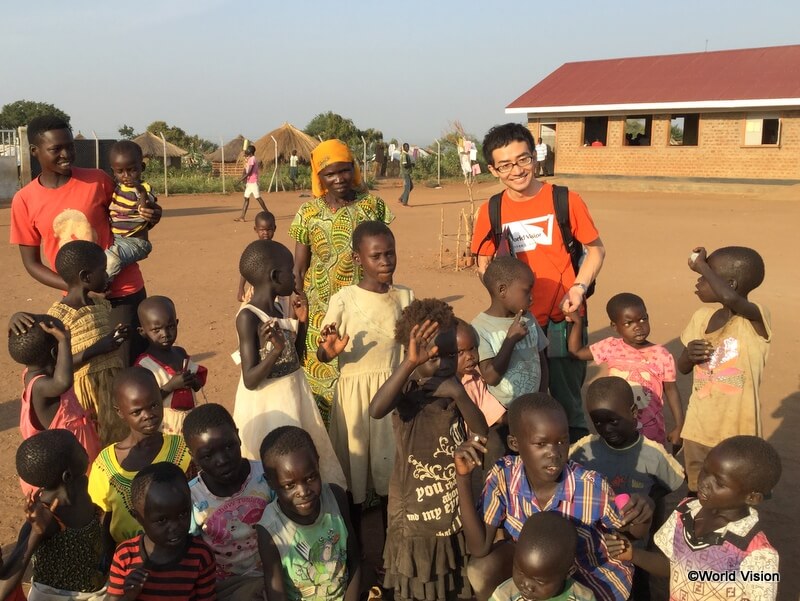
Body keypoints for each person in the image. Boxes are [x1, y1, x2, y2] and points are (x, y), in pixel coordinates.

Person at [470, 123, 605, 442]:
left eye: (523, 159)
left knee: (567, 404)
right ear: (493, 169)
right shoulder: (491, 210)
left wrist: (578, 288)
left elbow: (596, 250)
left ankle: (574, 475)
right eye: (505, 165)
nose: (516, 170)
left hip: (563, 319)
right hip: (519, 326)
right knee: (523, 402)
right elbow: (483, 263)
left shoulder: (565, 200)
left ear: (535, 156)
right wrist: (502, 302)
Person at [455, 393, 653, 601]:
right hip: (534, 580)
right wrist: (463, 478)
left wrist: (643, 513)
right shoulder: (503, 476)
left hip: (591, 579)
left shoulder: (589, 486)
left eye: (561, 441)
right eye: (541, 444)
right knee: (482, 568)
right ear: (515, 443)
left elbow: (632, 532)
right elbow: (479, 547)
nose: (554, 453)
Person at [10, 115, 161, 365]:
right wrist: (77, 288)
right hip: (79, 303)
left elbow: (132, 218)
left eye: (70, 146)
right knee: (89, 375)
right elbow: (31, 264)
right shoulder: (24, 200)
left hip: (123, 292)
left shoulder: (98, 180)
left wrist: (154, 214)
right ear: (35, 151)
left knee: (130, 370)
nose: (66, 154)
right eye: (55, 149)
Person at [370, 299, 488, 601]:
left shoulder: (454, 389)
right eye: (434, 357)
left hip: (450, 506)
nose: (446, 363)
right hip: (416, 517)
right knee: (421, 585)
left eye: (452, 355)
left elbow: (481, 429)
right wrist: (410, 364)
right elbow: (376, 409)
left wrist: (459, 394)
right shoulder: (410, 390)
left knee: (450, 581)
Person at [317, 221, 413, 542]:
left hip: (390, 397)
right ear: (358, 258)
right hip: (355, 401)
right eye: (376, 256)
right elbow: (324, 352)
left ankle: (391, 548)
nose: (385, 261)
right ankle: (354, 546)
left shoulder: (405, 297)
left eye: (390, 253)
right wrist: (327, 352)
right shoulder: (344, 299)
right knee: (354, 479)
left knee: (391, 479)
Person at [289, 138, 393, 422]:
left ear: (354, 168)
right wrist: (295, 314)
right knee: (319, 381)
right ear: (318, 177)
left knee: (362, 376)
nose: (338, 179)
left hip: (363, 306)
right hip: (320, 311)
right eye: (329, 173)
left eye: (344, 170)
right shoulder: (308, 213)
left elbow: (384, 254)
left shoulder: (372, 206)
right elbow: (299, 268)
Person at [605, 436, 781, 601]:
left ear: (752, 498)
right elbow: (672, 565)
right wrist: (633, 554)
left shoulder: (758, 554)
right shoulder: (686, 510)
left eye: (719, 483)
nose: (704, 482)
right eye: (705, 471)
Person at [232, 239, 346, 489]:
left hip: (295, 395)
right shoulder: (248, 317)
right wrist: (276, 351)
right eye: (291, 271)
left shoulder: (277, 308)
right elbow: (250, 379)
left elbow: (295, 357)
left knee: (302, 461)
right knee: (276, 468)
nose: (296, 277)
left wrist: (302, 323)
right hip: (270, 405)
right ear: (274, 276)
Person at [570, 377, 685, 600]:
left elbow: (675, 480)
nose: (606, 428)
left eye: (613, 421)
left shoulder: (653, 454)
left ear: (633, 412)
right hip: (593, 544)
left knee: (638, 586)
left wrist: (649, 500)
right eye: (598, 422)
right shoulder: (584, 449)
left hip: (634, 546)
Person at [677, 246, 770, 493]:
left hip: (738, 434)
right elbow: (682, 367)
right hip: (698, 428)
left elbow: (731, 300)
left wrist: (702, 265)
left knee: (734, 495)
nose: (699, 280)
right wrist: (689, 355)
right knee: (697, 491)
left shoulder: (755, 318)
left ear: (729, 283)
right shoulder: (701, 317)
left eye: (706, 277)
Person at [88, 367, 192, 544]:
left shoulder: (184, 450)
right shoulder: (104, 465)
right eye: (137, 412)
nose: (148, 415)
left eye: (154, 405)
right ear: (120, 412)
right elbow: (103, 517)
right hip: (128, 562)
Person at [0, 430, 107, 601]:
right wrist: (36, 533)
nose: (84, 449)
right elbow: (3, 588)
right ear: (67, 475)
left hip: (95, 589)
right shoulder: (46, 517)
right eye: (79, 448)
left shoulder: (80, 488)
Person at [257, 426, 361, 601]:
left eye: (311, 477)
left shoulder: (336, 498)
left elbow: (355, 559)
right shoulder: (270, 529)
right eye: (290, 485)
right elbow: (277, 593)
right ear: (271, 483)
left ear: (318, 464)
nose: (304, 491)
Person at [567, 292, 684, 447]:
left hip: (651, 430)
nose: (638, 327)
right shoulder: (610, 346)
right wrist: (577, 324)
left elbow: (671, 390)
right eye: (629, 323)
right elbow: (576, 352)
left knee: (649, 465)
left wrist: (679, 426)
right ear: (614, 326)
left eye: (643, 319)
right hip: (617, 428)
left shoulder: (661, 354)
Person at [184, 403, 275, 601]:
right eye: (208, 455)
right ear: (193, 456)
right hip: (227, 587)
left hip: (276, 570)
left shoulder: (266, 476)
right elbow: (192, 550)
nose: (222, 459)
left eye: (228, 446)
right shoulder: (193, 498)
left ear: (238, 435)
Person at [44, 240, 130, 445]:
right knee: (92, 442)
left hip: (112, 385)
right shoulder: (59, 316)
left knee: (117, 439)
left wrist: (116, 338)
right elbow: (55, 367)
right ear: (86, 277)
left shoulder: (100, 304)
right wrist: (96, 349)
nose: (108, 275)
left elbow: (102, 338)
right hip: (86, 394)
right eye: (103, 270)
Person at [7, 313, 101, 496]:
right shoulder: (41, 386)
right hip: (64, 470)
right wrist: (64, 342)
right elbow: (63, 382)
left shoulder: (32, 372)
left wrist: (15, 319)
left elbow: (60, 368)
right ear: (55, 352)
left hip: (66, 461)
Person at [106, 462, 216, 601]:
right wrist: (128, 597)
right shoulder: (125, 555)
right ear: (138, 518)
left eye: (183, 514)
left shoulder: (201, 555)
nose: (175, 526)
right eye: (162, 520)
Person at [472, 256, 549, 408]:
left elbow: (542, 362)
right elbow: (490, 377)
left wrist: (542, 398)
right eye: (527, 291)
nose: (532, 298)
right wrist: (510, 340)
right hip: (503, 412)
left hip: (533, 406)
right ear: (502, 290)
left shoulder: (529, 318)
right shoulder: (480, 327)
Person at [134, 296, 208, 435]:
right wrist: (171, 386)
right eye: (156, 330)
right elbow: (144, 403)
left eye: (170, 327)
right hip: (166, 427)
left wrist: (193, 381)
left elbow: (197, 384)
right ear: (142, 332)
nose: (165, 334)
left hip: (191, 422)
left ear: (177, 323)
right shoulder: (144, 365)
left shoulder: (180, 353)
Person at [489, 513, 596, 601]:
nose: (527, 586)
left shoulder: (583, 597)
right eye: (521, 572)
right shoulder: (505, 595)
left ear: (568, 572)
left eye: (539, 581)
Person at [106, 140, 156, 280]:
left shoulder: (144, 189)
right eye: (120, 171)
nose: (126, 176)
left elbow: (144, 210)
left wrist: (140, 190)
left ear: (142, 167)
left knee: (111, 260)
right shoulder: (117, 188)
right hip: (116, 240)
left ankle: (100, 289)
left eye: (132, 170)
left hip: (136, 242)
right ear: (113, 171)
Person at [237, 211, 277, 303]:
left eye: (269, 230)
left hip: (275, 291)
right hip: (256, 291)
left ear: (274, 228)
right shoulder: (254, 250)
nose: (265, 233)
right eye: (262, 230)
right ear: (256, 229)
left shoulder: (277, 249)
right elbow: (245, 269)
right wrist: (241, 289)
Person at [235, 145, 267, 222]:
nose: (246, 151)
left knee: (258, 198)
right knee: (246, 198)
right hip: (249, 182)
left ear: (251, 152)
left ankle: (267, 213)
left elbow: (249, 172)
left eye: (248, 150)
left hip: (253, 182)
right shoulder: (249, 159)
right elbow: (246, 170)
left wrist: (240, 179)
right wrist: (243, 177)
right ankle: (242, 217)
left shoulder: (252, 159)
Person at [398, 143, 413, 207]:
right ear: (404, 148)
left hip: (407, 172)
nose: (408, 148)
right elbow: (404, 165)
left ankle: (401, 198)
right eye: (406, 147)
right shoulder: (404, 155)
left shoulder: (405, 154)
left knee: (411, 186)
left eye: (408, 147)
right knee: (407, 187)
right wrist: (411, 164)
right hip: (405, 173)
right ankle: (404, 202)